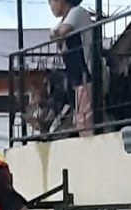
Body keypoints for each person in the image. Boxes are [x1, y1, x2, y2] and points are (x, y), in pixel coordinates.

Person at [49, 0, 95, 135]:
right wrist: (56, 34)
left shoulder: (77, 12)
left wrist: (57, 34)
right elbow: (53, 34)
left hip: (87, 71)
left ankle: (90, 143)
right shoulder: (66, 19)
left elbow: (61, 32)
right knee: (81, 113)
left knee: (85, 116)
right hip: (79, 75)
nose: (51, 7)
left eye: (51, 2)